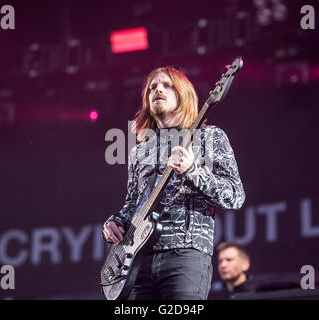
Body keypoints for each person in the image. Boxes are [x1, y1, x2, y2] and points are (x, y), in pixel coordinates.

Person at [102, 66, 245, 300]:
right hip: (137, 261)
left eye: (167, 85)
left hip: (186, 256)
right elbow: (132, 204)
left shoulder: (210, 137)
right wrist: (114, 222)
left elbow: (235, 196)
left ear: (184, 94)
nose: (158, 89)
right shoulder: (140, 151)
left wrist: (192, 171)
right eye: (152, 87)